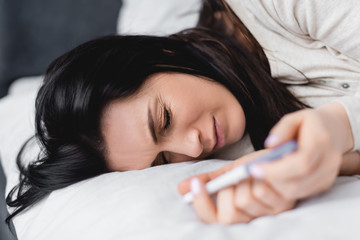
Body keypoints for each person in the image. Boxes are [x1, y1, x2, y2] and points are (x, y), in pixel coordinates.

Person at [6, 0, 360, 225]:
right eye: (163, 160)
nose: (193, 148)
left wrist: (340, 125)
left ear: (165, 54)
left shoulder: (270, 6)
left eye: (164, 119)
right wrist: (325, 164)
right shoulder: (235, 147)